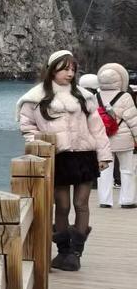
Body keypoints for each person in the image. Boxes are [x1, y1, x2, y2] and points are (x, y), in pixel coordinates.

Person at [17, 50, 111, 271]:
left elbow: (97, 128)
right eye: (65, 69)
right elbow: (27, 127)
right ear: (52, 70)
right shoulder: (35, 97)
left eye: (72, 69)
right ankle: (63, 252)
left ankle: (76, 254)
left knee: (81, 204)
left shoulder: (84, 96)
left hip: (85, 155)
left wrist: (104, 155)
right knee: (62, 205)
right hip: (58, 156)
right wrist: (40, 143)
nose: (70, 73)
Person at [96, 62, 137, 208]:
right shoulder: (125, 96)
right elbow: (133, 120)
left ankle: (104, 201)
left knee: (104, 170)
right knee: (127, 170)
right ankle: (127, 200)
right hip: (123, 139)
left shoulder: (96, 96)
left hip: (103, 139)